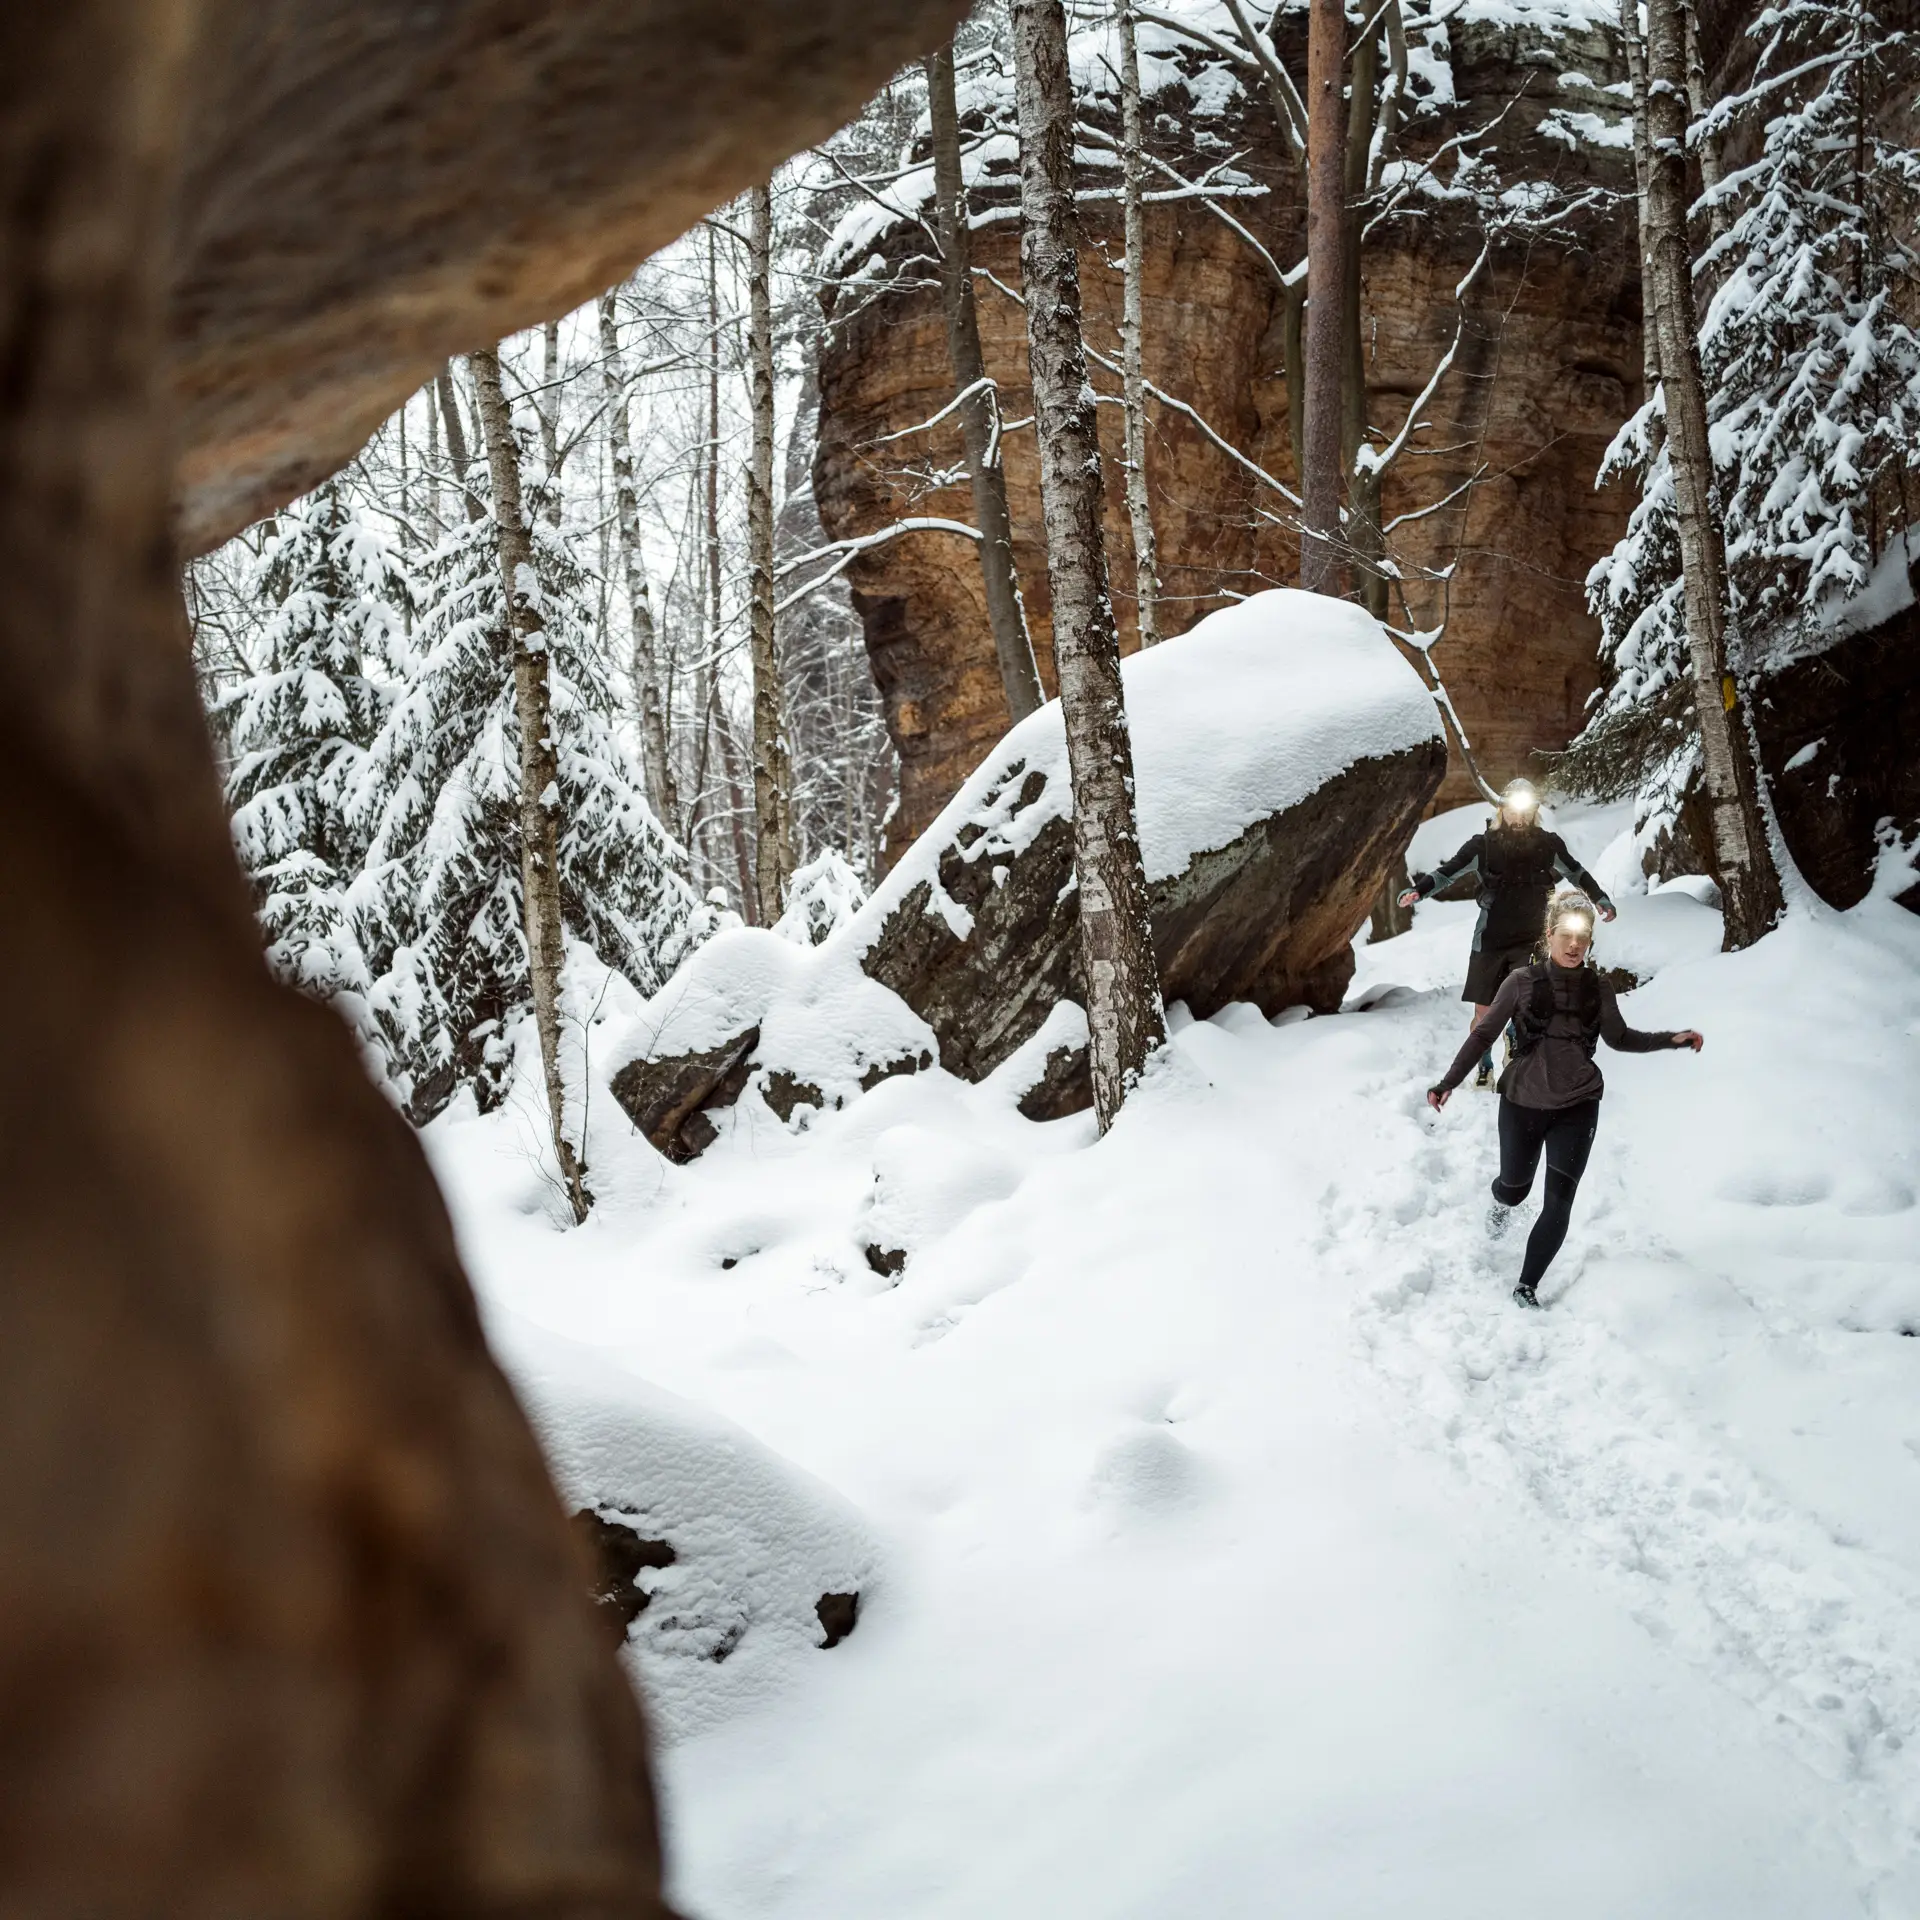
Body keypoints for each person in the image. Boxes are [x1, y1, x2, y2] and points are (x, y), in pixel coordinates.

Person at [1425, 891, 1703, 1308]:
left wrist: (1672, 1041)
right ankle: (1501, 1201)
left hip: (1578, 1104)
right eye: (1567, 936)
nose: (1575, 946)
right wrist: (1449, 1081)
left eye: (1584, 938)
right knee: (1515, 1188)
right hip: (1523, 1101)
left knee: (1559, 1200)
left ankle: (1526, 1286)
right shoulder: (1520, 982)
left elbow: (1620, 1038)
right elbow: (1485, 1033)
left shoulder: (1598, 987)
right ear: (1550, 934)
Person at [1398, 779, 1617, 1089]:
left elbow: (1576, 872)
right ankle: (1484, 1063)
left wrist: (1599, 898)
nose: (1519, 818)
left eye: (1526, 811)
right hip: (1490, 939)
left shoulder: (1548, 844)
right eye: (1513, 811)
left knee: (1524, 1005)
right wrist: (1418, 891)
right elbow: (1449, 871)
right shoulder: (1483, 846)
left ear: (1534, 812)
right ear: (1501, 810)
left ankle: (1515, 1054)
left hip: (1532, 938)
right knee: (1485, 1013)